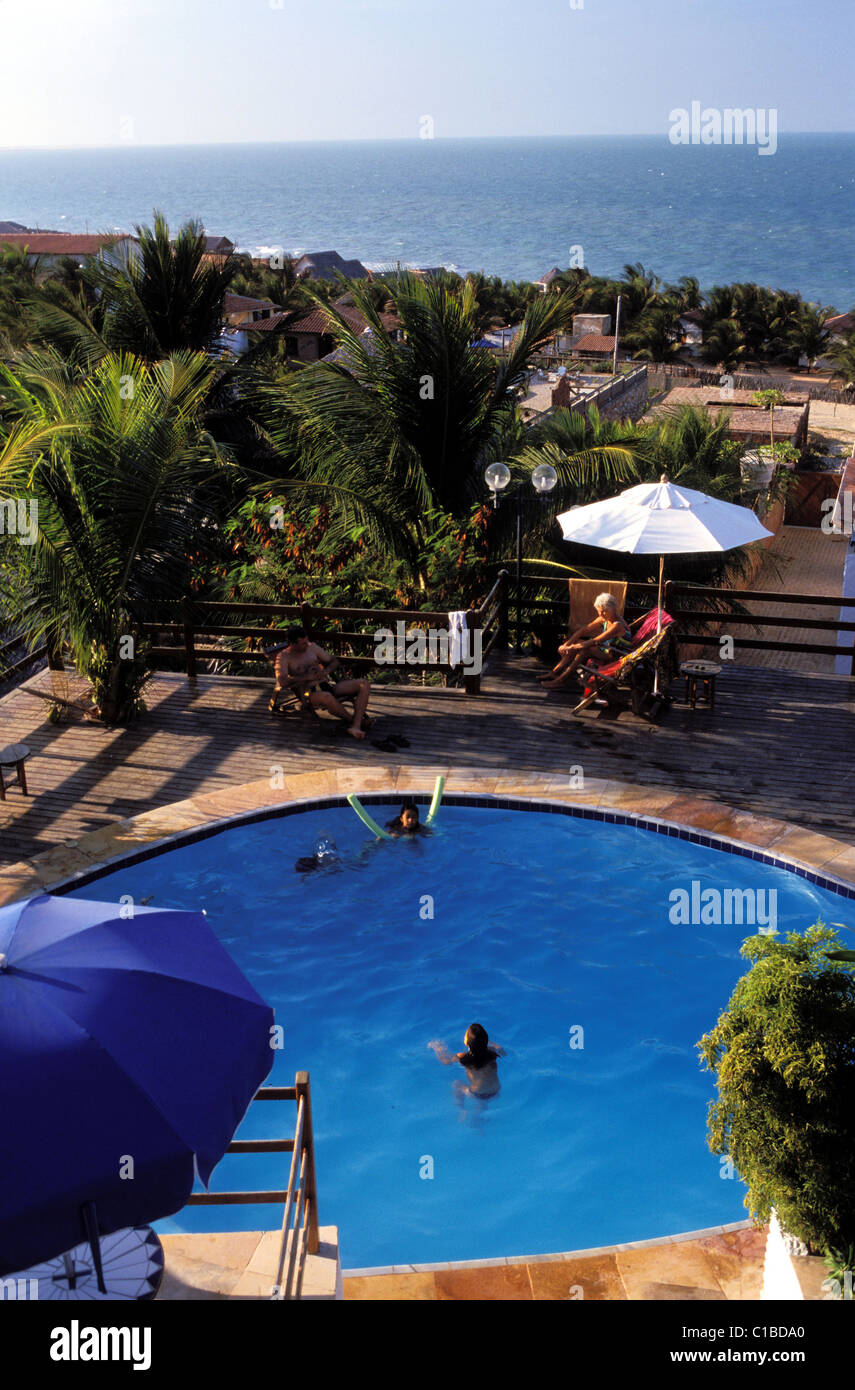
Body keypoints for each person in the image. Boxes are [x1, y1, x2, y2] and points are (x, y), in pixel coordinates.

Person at [275, 627, 371, 739]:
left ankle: (356, 725)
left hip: (326, 685)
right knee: (327, 697)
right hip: (307, 692)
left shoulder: (312, 647)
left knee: (364, 684)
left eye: (307, 641)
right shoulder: (283, 657)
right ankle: (356, 722)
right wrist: (306, 677)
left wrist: (326, 671)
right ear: (292, 644)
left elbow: (334, 661)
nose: (307, 645)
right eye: (303, 643)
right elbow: (282, 681)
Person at [539, 593, 634, 689]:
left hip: (616, 655)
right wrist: (567, 644)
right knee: (577, 642)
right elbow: (583, 630)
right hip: (605, 649)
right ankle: (555, 672)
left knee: (585, 650)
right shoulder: (604, 618)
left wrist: (570, 647)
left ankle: (560, 681)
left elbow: (595, 641)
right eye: (599, 611)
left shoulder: (617, 625)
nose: (601, 614)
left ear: (613, 609)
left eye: (604, 611)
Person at [428, 1024, 505, 1099]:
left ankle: (462, 1109)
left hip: (478, 1095)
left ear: (466, 1041)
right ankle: (481, 1106)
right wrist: (486, 1042)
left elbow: (445, 1061)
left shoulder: (463, 1056)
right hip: (495, 1092)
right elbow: (502, 1050)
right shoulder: (492, 1051)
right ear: (485, 1039)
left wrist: (438, 1050)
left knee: (456, 1084)